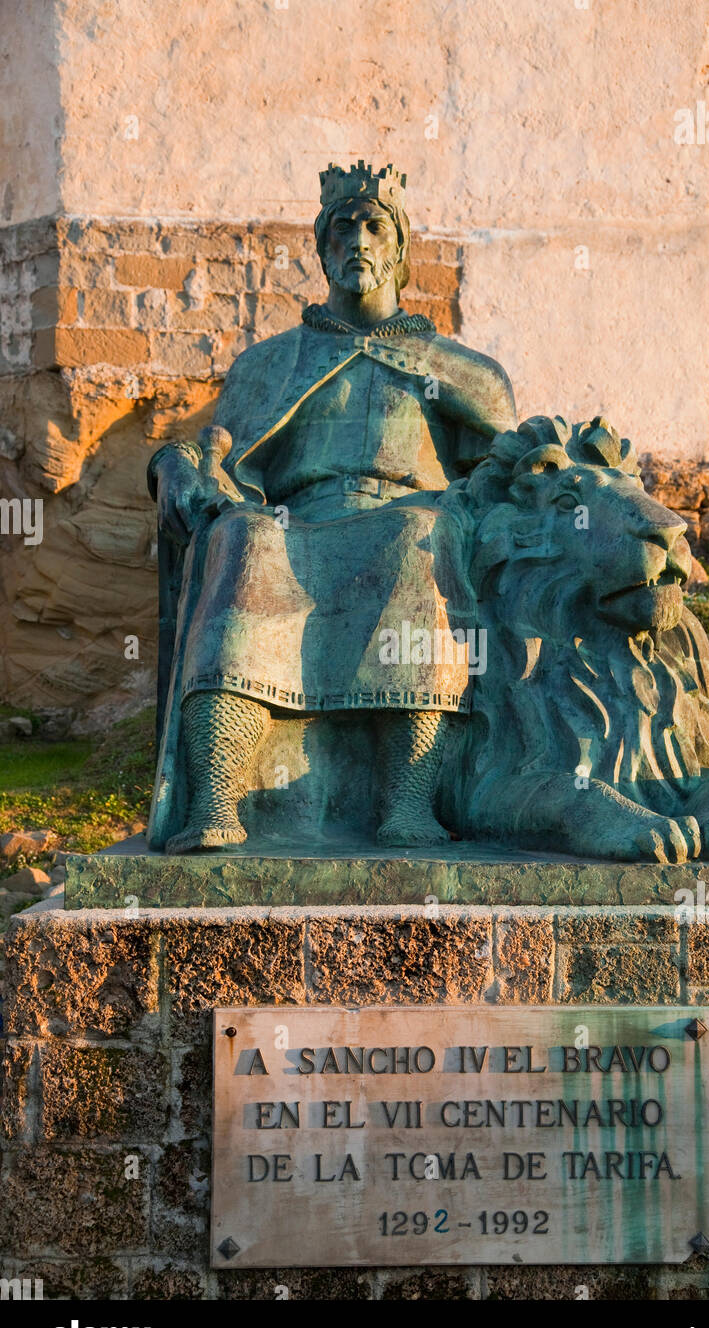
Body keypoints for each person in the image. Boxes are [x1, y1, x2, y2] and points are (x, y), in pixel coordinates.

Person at [148, 161, 516, 853]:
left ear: (400, 250)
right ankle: (217, 803)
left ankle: (407, 805)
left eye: (376, 226)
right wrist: (170, 465)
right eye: (342, 227)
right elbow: (217, 458)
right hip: (295, 523)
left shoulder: (462, 369)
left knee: (417, 537)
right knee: (244, 539)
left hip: (410, 517)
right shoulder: (272, 361)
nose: (359, 239)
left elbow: (513, 470)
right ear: (322, 250)